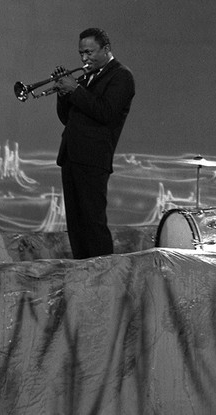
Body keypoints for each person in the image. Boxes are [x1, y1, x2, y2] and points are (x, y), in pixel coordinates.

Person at [54, 27, 135, 259]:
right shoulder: (86, 78)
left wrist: (75, 89)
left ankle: (103, 276)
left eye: (89, 52)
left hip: (92, 158)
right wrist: (63, 94)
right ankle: (82, 271)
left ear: (106, 49)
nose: (84, 58)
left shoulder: (121, 76)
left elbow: (106, 112)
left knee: (93, 223)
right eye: (81, 53)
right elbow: (67, 118)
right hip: (71, 155)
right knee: (76, 225)